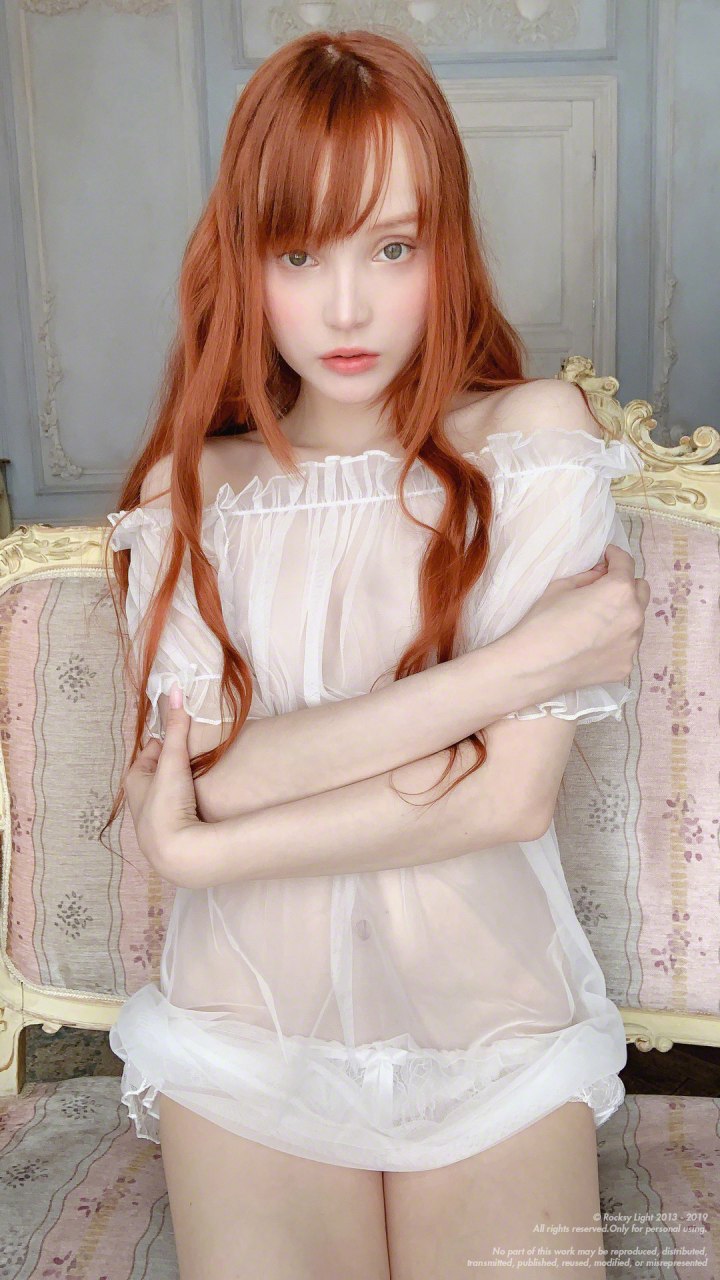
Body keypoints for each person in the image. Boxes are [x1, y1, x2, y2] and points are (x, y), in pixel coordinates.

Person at [104, 28, 650, 1280]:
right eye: (300, 254)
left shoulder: (532, 443)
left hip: (493, 1031)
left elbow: (508, 797)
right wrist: (513, 671)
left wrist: (202, 848)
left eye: (392, 248)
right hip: (246, 1028)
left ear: (445, 248)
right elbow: (210, 773)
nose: (346, 308)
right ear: (246, 259)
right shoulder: (192, 492)